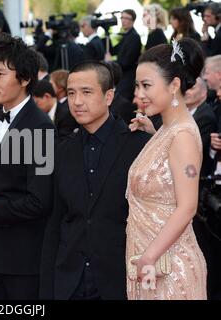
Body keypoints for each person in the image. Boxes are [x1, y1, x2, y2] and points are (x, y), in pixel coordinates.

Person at [39, 61, 150, 300]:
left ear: (108, 96)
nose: (77, 101)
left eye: (86, 92)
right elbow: (56, 222)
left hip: (120, 281)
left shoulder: (138, 146)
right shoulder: (63, 151)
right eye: (71, 93)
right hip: (70, 281)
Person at [0, 33, 55, 300]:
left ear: (25, 79)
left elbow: (40, 201)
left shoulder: (41, 128)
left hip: (22, 260)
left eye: (0, 74)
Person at [127, 38, 207, 300]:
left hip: (169, 269)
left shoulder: (181, 135)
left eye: (147, 85)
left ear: (174, 85)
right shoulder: (168, 129)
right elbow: (167, 174)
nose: (139, 94)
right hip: (151, 263)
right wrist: (154, 135)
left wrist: (149, 256)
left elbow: (187, 206)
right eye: (137, 86)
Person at [107, 9, 142, 102]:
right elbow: (113, 50)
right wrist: (107, 32)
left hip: (128, 80)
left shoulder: (134, 37)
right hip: (122, 78)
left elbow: (126, 62)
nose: (123, 20)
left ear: (133, 21)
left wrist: (111, 62)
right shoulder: (126, 36)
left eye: (127, 18)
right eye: (122, 17)